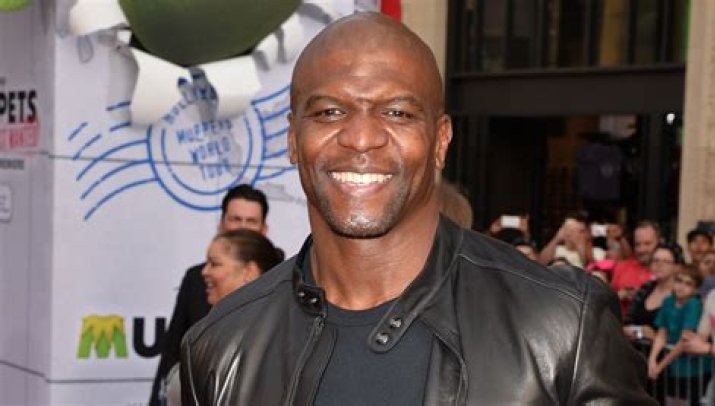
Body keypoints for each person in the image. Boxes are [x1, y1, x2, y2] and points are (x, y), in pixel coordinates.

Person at [180, 12, 654, 404]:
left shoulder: (562, 328)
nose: (361, 138)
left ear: (441, 140)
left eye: (397, 113)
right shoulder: (221, 347)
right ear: (292, 138)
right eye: (329, 112)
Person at [149, 184, 273, 406]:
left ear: (263, 228)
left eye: (251, 221)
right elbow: (173, 350)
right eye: (235, 219)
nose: (242, 227)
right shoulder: (196, 279)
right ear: (221, 223)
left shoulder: (286, 283)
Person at [163, 229, 284, 406]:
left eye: (215, 264)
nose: (204, 272)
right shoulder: (207, 333)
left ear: (249, 271)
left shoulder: (276, 334)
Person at [647, 265, 710, 405]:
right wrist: (652, 360)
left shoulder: (693, 304)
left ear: (695, 289)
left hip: (694, 369)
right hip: (673, 366)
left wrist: (660, 366)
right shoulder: (668, 301)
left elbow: (684, 340)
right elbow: (662, 333)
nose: (681, 286)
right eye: (679, 281)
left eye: (688, 284)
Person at [623, 242, 685, 342]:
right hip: (634, 346)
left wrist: (654, 337)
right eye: (656, 260)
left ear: (677, 266)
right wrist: (639, 332)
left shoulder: (682, 295)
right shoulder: (646, 287)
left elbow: (681, 336)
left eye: (665, 261)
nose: (659, 265)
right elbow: (627, 322)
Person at [611, 221, 662, 315]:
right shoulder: (622, 267)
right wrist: (620, 295)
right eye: (638, 244)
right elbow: (607, 302)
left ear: (659, 243)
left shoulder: (665, 271)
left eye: (647, 244)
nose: (642, 249)